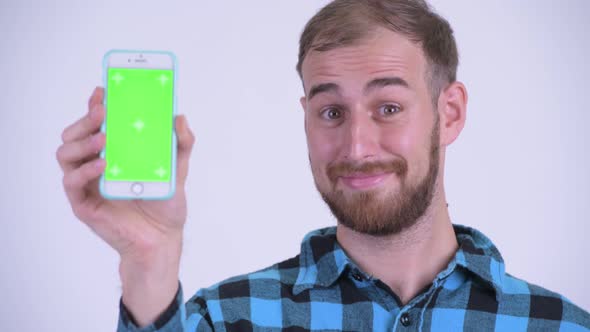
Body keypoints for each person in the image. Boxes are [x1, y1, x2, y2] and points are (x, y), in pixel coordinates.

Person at [56, 0, 590, 331]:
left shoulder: (558, 326)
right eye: (331, 111)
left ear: (449, 113)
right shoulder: (225, 320)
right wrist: (149, 260)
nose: (356, 146)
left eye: (388, 108)